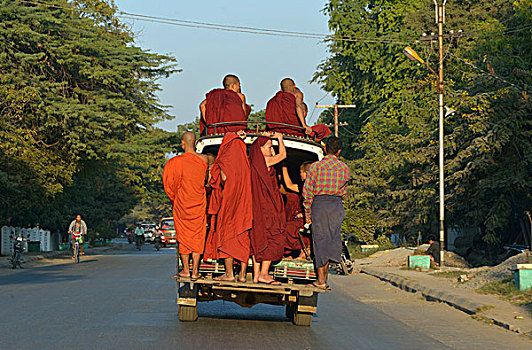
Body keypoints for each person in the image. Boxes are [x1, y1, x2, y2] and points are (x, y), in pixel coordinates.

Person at [204, 131, 253, 282]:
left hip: (230, 203)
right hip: (244, 204)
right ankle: (243, 275)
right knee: (243, 237)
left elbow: (224, 178)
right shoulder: (245, 161)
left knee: (227, 237)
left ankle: (229, 274)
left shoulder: (227, 156)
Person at [302, 136, 350, 289]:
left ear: (324, 149)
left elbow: (307, 192)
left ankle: (321, 280)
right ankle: (325, 277)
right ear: (339, 151)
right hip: (337, 206)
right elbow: (344, 189)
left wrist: (307, 213)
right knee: (332, 238)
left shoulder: (316, 167)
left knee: (319, 240)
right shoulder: (344, 168)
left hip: (320, 205)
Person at [163, 132, 210, 280]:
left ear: (183, 143)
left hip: (182, 205)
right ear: (195, 143)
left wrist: (176, 199)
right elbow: (207, 182)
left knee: (184, 238)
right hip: (199, 204)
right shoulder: (204, 159)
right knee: (198, 237)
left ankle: (185, 270)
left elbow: (168, 185)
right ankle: (195, 271)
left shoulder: (174, 162)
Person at [249, 133, 287, 285]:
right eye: (270, 148)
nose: (272, 151)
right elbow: (283, 155)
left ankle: (256, 275)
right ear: (260, 148)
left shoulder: (251, 161)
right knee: (273, 237)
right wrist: (280, 139)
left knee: (258, 238)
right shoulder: (264, 161)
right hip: (268, 207)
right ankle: (265, 273)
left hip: (256, 206)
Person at [265, 78, 330, 140]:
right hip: (295, 132)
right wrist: (304, 125)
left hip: (275, 131)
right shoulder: (297, 95)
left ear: (281, 89)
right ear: (294, 86)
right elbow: (298, 106)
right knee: (323, 128)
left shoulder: (272, 101)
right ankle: (313, 141)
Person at [281, 161, 313, 260]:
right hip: (302, 217)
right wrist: (283, 167)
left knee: (289, 228)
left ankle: (305, 250)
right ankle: (288, 253)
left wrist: (304, 214)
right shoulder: (303, 186)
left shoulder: (314, 186)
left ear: (306, 173)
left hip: (309, 217)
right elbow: (289, 185)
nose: (300, 174)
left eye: (301, 172)